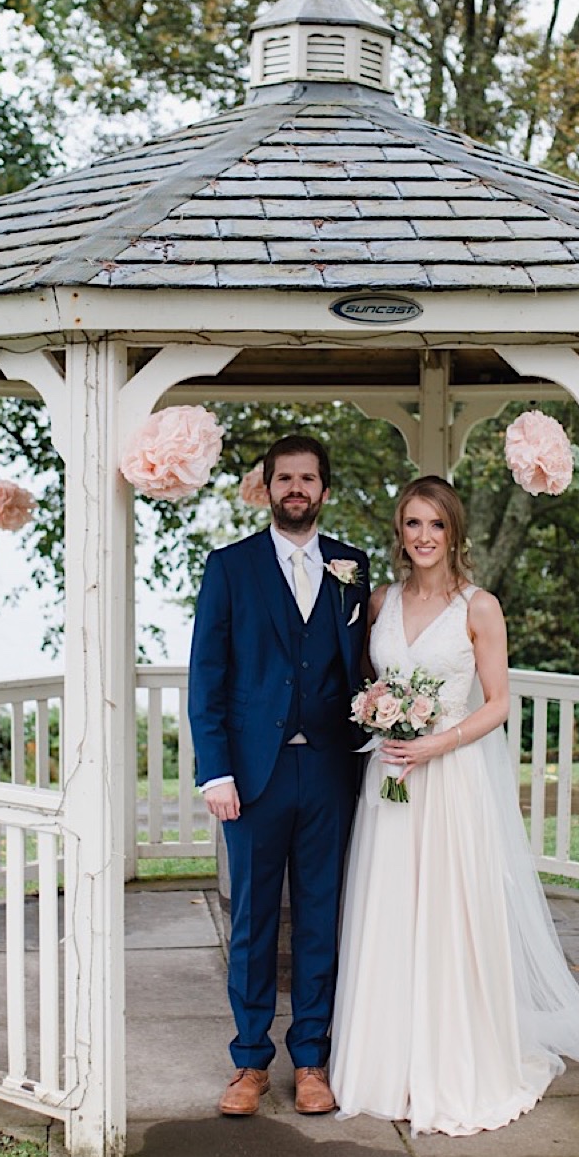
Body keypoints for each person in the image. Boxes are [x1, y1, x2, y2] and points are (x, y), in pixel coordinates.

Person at [330, 476, 579, 1136]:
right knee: (390, 907)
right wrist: (381, 716)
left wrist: (436, 742)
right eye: (413, 523)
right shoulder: (380, 601)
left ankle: (455, 1063)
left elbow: (498, 703)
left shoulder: (479, 607)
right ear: (400, 532)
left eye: (436, 525)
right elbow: (366, 679)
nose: (424, 536)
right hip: (391, 777)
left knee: (449, 913)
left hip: (449, 777)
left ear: (454, 534)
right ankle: (387, 1063)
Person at [188, 434, 372, 1118]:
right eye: (284, 478)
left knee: (321, 917)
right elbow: (207, 675)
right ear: (266, 488)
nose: (296, 489)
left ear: (324, 489)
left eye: (308, 478)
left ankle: (312, 1058)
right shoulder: (230, 567)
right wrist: (215, 772)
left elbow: (363, 663)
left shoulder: (352, 565)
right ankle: (249, 1061)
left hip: (329, 769)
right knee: (254, 922)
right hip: (252, 774)